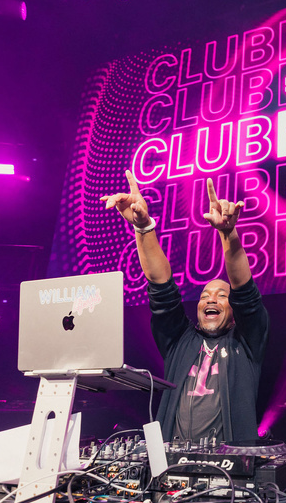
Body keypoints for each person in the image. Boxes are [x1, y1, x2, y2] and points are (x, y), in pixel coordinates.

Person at [101, 171, 268, 443]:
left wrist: (229, 234)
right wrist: (143, 227)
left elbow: (246, 293)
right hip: (172, 464)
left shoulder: (246, 344)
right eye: (205, 295)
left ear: (234, 311)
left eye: (221, 295)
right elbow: (161, 287)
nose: (211, 299)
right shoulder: (180, 341)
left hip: (229, 473)